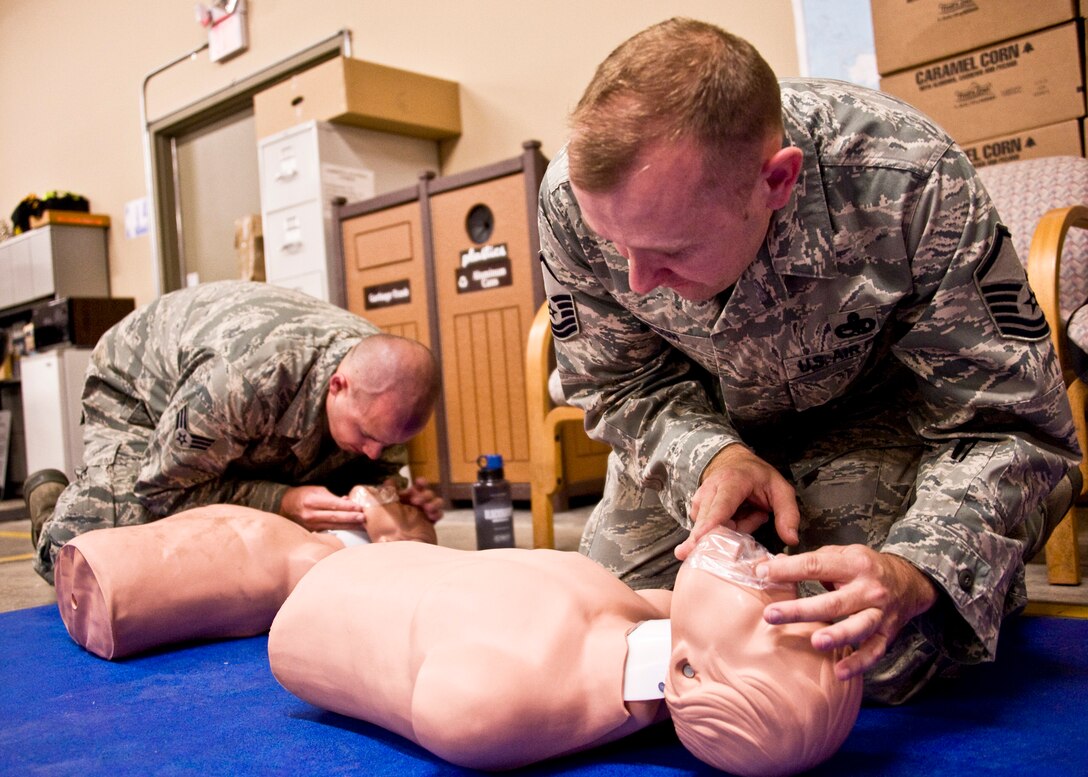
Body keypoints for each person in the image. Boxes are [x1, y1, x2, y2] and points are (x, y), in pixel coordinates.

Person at [537, 17, 1081, 704]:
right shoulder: (572, 202)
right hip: (709, 429)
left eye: (670, 250)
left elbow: (1012, 425)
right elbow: (619, 382)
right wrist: (710, 458)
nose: (637, 280)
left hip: (879, 422)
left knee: (843, 649)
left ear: (777, 180)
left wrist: (921, 567)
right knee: (605, 632)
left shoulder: (911, 181)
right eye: (617, 246)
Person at [269, 527, 861, 775]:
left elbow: (447, 704)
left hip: (303, 606)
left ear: (686, 671)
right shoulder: (655, 622)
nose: (777, 576)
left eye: (771, 615)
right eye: (798, 598)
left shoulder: (500, 700)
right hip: (379, 553)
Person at [26, 280, 443, 584]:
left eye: (387, 442)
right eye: (367, 435)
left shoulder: (385, 389)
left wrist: (393, 493)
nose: (373, 451)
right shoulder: (239, 381)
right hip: (140, 394)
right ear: (338, 386)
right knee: (86, 556)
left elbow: (375, 467)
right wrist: (282, 500)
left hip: (247, 414)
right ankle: (49, 500)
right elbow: (163, 491)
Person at [55, 487, 436, 660]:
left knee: (159, 562)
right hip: (227, 537)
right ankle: (50, 500)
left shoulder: (322, 560)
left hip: (120, 576)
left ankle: (49, 498)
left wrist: (375, 500)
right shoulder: (310, 545)